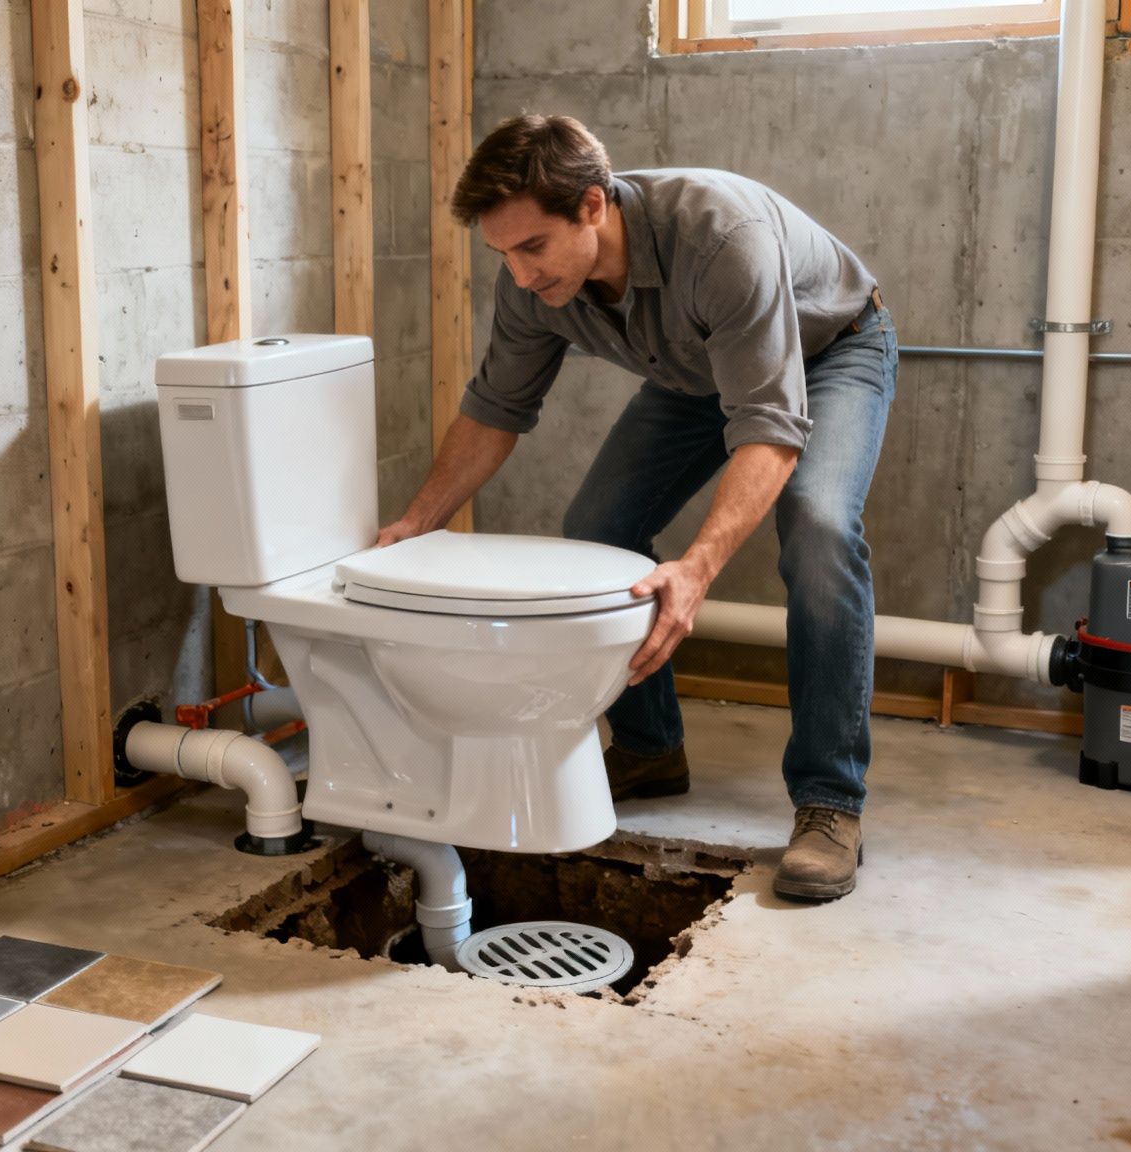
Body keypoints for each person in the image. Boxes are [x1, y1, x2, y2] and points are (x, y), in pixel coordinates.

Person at [374, 115, 896, 902]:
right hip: (694, 375)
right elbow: (495, 409)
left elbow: (770, 423)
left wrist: (698, 567)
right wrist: (417, 523)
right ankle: (651, 749)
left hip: (829, 353)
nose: (518, 275)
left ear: (592, 206)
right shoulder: (533, 279)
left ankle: (830, 803)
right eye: (502, 253)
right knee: (598, 527)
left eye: (532, 248)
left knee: (818, 529)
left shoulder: (721, 237)